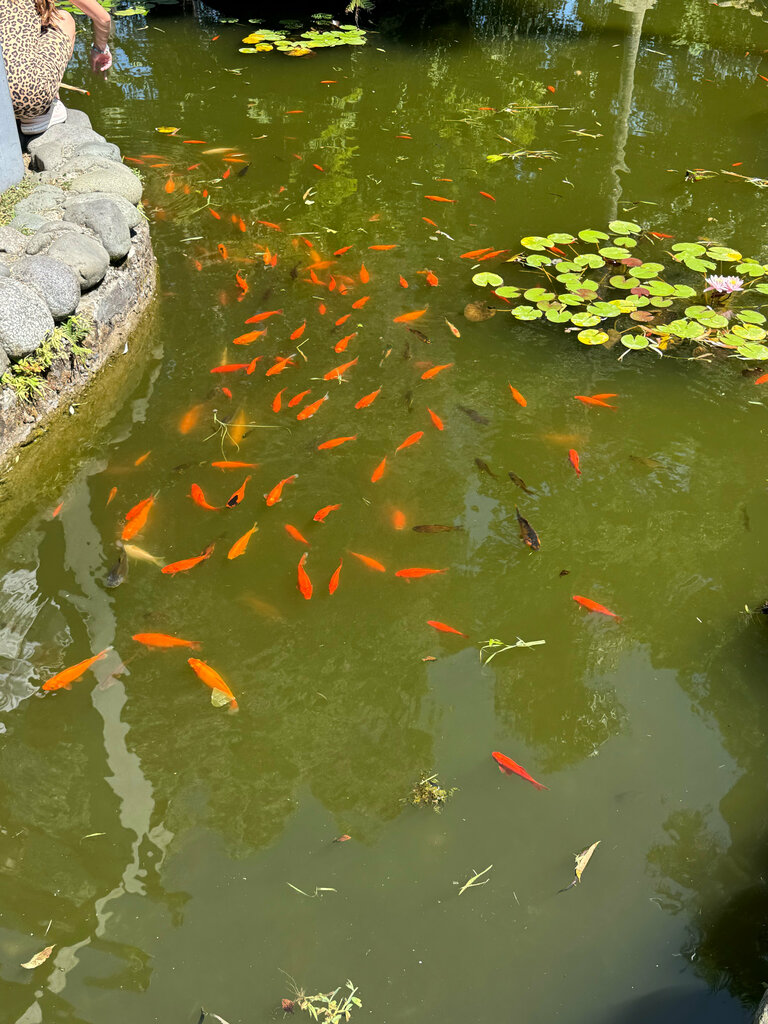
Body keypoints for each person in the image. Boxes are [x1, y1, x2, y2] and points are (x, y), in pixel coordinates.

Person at [0, 0, 112, 135]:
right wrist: (99, 49)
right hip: (27, 101)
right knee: (63, 19)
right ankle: (38, 111)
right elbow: (103, 18)